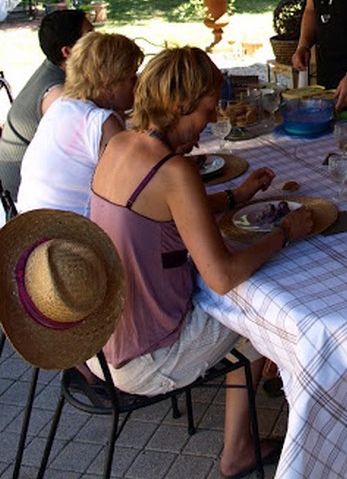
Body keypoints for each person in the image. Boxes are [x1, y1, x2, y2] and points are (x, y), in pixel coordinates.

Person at [88, 46, 313, 479]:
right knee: (266, 318)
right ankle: (241, 446)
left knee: (252, 310)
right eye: (207, 110)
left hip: (103, 344)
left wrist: (236, 196)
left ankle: (249, 417)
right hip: (145, 360)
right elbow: (223, 275)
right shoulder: (175, 171)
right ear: (178, 106)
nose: (211, 121)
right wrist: (286, 233)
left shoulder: (120, 143)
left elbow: (161, 208)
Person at [16, 31, 143, 217]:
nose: (137, 84)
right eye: (132, 78)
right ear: (108, 85)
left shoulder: (63, 105)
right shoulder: (101, 122)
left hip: (32, 227)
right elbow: (137, 189)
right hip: (73, 235)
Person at [0, 9, 92, 201]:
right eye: (90, 37)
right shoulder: (57, 95)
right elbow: (87, 148)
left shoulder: (55, 67)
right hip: (23, 202)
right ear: (67, 52)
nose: (99, 40)